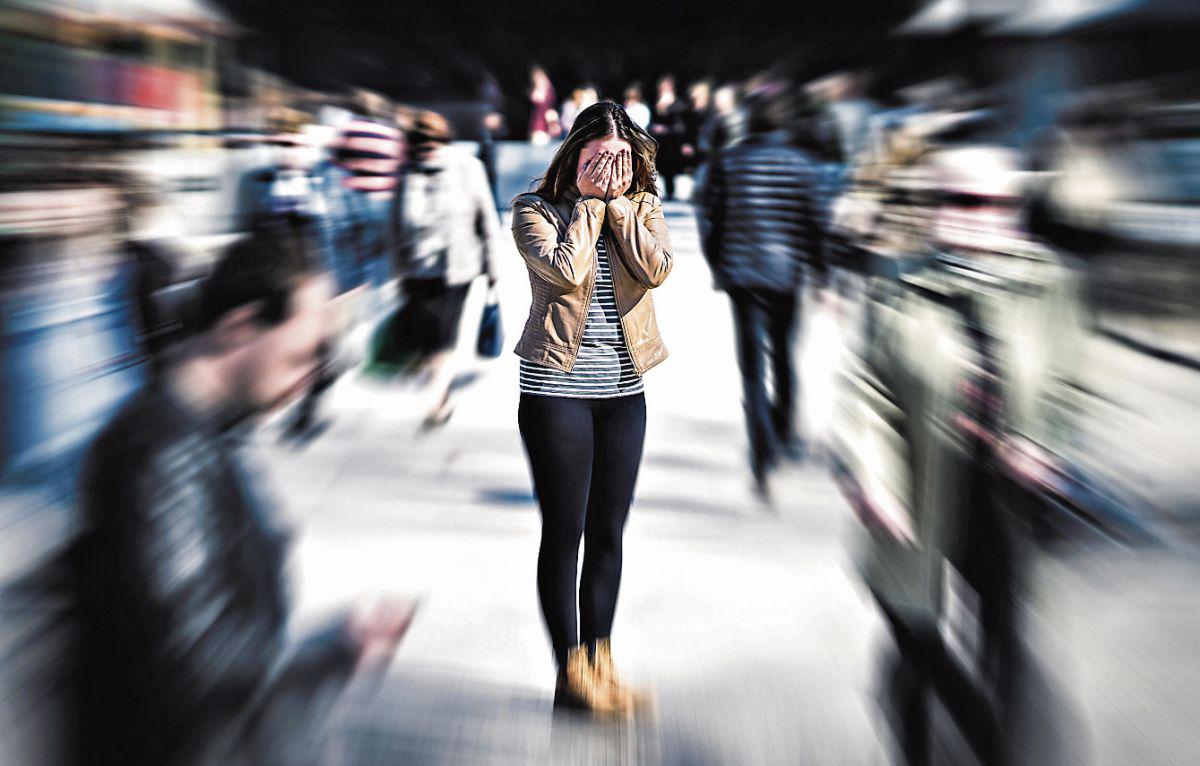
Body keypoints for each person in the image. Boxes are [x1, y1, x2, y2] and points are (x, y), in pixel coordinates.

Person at [68, 226, 416, 766]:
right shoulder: (162, 456)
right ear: (240, 326)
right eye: (303, 355)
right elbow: (196, 658)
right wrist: (334, 647)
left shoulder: (202, 433)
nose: (311, 377)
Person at [510, 101, 672, 715]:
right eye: (598, 159)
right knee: (566, 533)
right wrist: (588, 206)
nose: (611, 170)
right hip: (557, 393)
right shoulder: (535, 211)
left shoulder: (645, 208)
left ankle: (601, 662)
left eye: (621, 160)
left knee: (609, 532)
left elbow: (656, 269)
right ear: (573, 156)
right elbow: (564, 272)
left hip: (625, 395)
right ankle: (569, 672)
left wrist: (623, 210)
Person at [699, 93, 825, 500]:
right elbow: (814, 222)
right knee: (785, 355)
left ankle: (761, 448)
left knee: (752, 369)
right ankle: (783, 430)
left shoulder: (729, 161)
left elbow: (712, 219)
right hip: (786, 275)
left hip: (743, 276)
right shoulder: (801, 164)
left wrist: (718, 264)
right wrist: (820, 269)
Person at [391, 110, 501, 428]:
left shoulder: (467, 168)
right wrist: (396, 271)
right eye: (420, 143)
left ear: (444, 141)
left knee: (444, 336)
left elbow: (487, 219)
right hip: (416, 270)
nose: (427, 148)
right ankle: (440, 390)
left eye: (432, 142)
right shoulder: (406, 173)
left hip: (457, 270)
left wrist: (494, 270)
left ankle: (435, 400)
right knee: (426, 338)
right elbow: (394, 225)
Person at [528, 66, 559, 145]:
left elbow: (537, 98)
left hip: (543, 125)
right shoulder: (546, 86)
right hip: (539, 124)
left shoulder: (545, 86)